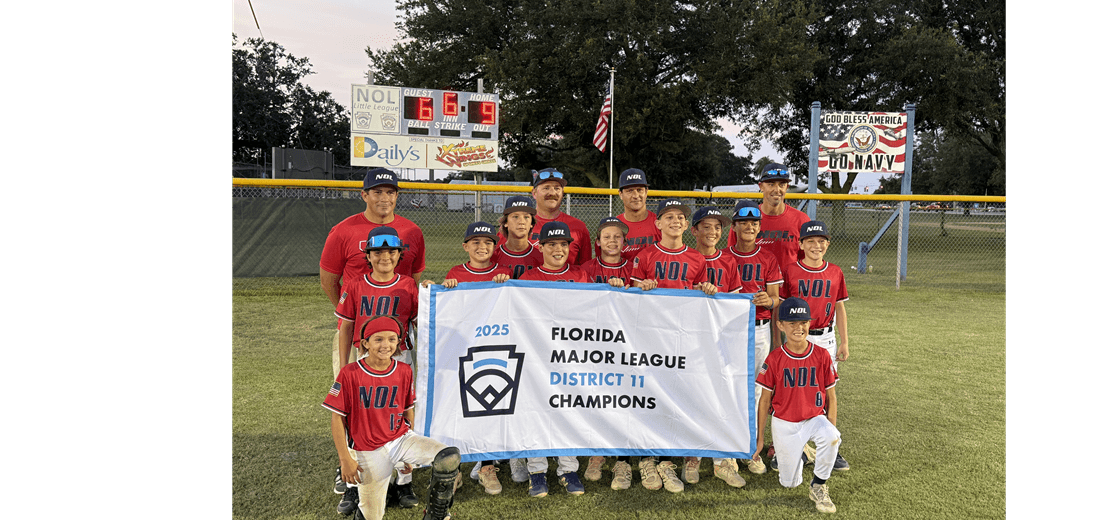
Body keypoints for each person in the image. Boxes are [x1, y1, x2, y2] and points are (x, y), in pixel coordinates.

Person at [320, 168, 428, 504]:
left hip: (397, 343)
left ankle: (401, 473)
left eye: (390, 191)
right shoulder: (344, 231)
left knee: (398, 405)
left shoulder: (411, 231)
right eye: (376, 191)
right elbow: (329, 280)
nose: (384, 198)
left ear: (397, 195)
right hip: (359, 337)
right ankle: (351, 469)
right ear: (364, 194)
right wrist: (356, 322)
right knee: (356, 406)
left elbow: (415, 284)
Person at [323, 315, 461, 520]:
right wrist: (345, 458)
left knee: (448, 458)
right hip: (369, 450)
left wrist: (409, 449)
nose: (385, 345)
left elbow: (407, 410)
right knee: (372, 515)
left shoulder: (404, 371)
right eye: (378, 339)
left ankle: (435, 515)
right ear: (365, 343)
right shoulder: (350, 373)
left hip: (401, 439)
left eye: (391, 339)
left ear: (398, 342)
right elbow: (337, 419)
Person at [333, 226, 422, 510]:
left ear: (399, 255)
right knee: (357, 421)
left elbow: (422, 323)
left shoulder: (408, 285)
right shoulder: (356, 285)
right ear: (368, 256)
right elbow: (346, 327)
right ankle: (352, 485)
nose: (385, 256)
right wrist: (344, 363)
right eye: (378, 251)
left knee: (402, 419)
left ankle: (403, 483)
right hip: (363, 360)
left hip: (401, 359)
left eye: (391, 251)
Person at [425, 221, 511, 495]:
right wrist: (441, 288)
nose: (481, 247)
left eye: (487, 242)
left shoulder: (503, 272)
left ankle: (487, 466)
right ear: (465, 246)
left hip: (495, 348)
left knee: (492, 407)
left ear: (494, 247)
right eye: (475, 242)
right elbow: (447, 306)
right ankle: (455, 468)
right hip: (463, 351)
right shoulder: (456, 273)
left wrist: (505, 284)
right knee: (460, 406)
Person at [516, 221, 588, 497]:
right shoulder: (528, 279)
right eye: (552, 244)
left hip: (571, 354)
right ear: (541, 246)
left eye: (564, 244)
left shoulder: (580, 275)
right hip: (538, 356)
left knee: (569, 408)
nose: (559, 249)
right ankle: (537, 470)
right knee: (536, 410)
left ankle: (568, 468)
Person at [681, 206, 748, 488]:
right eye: (706, 226)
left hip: (721, 338)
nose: (712, 232)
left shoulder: (729, 261)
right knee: (694, 395)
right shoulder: (686, 258)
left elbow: (733, 306)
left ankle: (722, 460)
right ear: (693, 230)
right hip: (691, 337)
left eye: (718, 227)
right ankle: (692, 456)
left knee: (722, 394)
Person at [754, 298, 842, 514]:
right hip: (784, 422)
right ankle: (801, 452)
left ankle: (818, 486)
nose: (798, 328)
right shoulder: (774, 358)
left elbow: (831, 396)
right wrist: (760, 439)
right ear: (780, 325)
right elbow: (764, 400)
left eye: (803, 322)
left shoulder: (821, 355)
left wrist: (832, 431)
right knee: (789, 482)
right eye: (791, 323)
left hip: (814, 418)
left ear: (809, 324)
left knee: (832, 438)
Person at [779, 220, 851, 472]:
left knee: (825, 392)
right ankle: (790, 448)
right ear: (800, 244)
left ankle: (830, 445)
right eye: (810, 241)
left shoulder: (835, 272)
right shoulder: (789, 270)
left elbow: (840, 306)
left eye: (821, 241)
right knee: (794, 391)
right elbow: (781, 307)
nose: (816, 246)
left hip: (825, 337)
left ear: (828, 244)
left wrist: (844, 341)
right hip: (798, 337)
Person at [721, 200, 783, 475]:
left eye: (754, 223)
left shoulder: (767, 257)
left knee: (758, 390)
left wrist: (768, 301)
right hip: (728, 329)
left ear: (759, 227)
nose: (749, 227)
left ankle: (752, 448)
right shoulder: (723, 255)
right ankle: (727, 447)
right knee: (727, 386)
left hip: (758, 327)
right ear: (734, 227)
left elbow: (775, 297)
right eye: (743, 223)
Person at [727, 163, 809, 270]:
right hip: (752, 285)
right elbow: (732, 256)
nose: (777, 189)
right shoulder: (745, 217)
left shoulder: (801, 220)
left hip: (786, 286)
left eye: (782, 184)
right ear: (761, 186)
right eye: (771, 184)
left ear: (787, 187)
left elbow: (806, 260)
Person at [630, 199, 717, 296]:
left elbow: (698, 294)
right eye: (669, 217)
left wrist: (707, 289)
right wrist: (643, 286)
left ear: (686, 224)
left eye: (680, 217)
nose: (676, 221)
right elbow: (635, 292)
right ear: (658, 224)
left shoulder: (698, 258)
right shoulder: (645, 256)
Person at [527, 168, 592, 265]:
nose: (552, 193)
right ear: (534, 193)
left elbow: (586, 269)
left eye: (557, 188)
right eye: (546, 188)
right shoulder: (518, 225)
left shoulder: (578, 227)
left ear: (562, 193)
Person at [594, 168, 661, 260]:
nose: (636, 196)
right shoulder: (612, 228)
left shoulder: (660, 224)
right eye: (630, 191)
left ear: (646, 192)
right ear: (620, 194)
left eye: (639, 190)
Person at [492, 196, 544, 279]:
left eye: (526, 217)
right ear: (505, 223)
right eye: (515, 217)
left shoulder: (541, 258)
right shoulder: (493, 256)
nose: (521, 222)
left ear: (531, 224)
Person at [581, 216, 634, 285]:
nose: (612, 240)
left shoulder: (633, 269)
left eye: (617, 236)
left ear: (624, 241)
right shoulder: (586, 269)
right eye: (607, 237)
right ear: (598, 241)